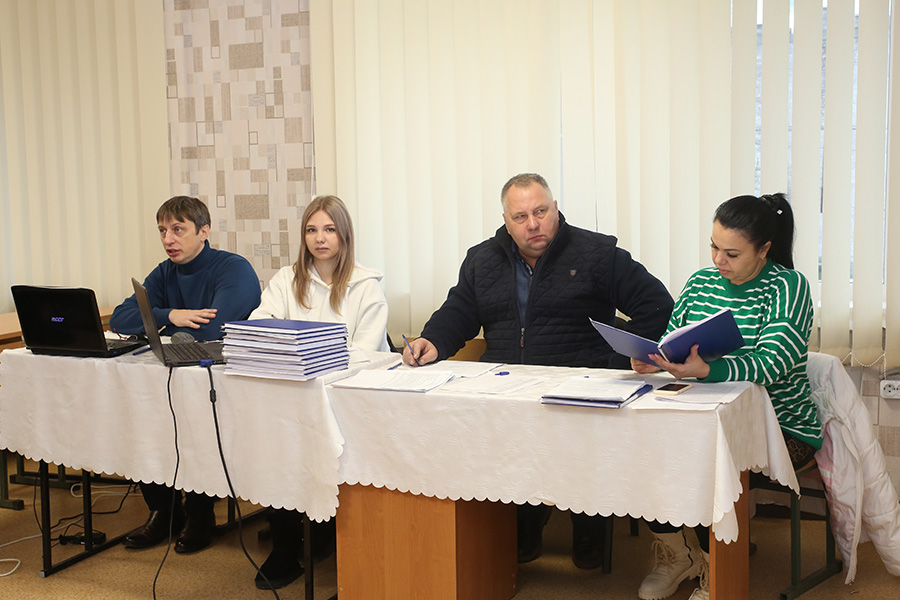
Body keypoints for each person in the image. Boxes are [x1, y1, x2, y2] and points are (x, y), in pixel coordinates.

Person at [403, 173, 674, 570]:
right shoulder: (482, 260)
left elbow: (656, 304)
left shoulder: (596, 253)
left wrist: (622, 357)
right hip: (508, 389)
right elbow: (459, 312)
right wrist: (433, 340)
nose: (533, 224)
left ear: (555, 209)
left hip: (580, 387)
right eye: (521, 217)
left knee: (579, 442)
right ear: (506, 221)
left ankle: (590, 526)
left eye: (541, 212)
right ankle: (525, 523)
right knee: (496, 444)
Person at [631, 193, 823, 600]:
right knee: (637, 449)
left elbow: (772, 363)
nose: (719, 260)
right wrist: (657, 360)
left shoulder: (788, 287)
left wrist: (709, 370)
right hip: (700, 414)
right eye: (714, 247)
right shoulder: (701, 283)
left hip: (781, 426)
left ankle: (715, 568)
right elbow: (675, 341)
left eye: (732, 253)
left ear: (764, 249)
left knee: (701, 461)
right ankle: (679, 553)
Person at [249, 195, 389, 590]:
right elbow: (261, 326)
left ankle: (328, 535)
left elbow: (365, 352)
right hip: (294, 396)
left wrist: (311, 360)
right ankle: (285, 544)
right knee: (276, 448)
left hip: (349, 399)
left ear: (344, 235)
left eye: (329, 229)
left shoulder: (366, 287)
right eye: (311, 230)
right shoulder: (286, 279)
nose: (320, 238)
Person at [110, 196, 261, 555]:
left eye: (178, 230)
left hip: (219, 382)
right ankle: (164, 512)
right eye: (162, 231)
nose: (168, 239)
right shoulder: (164, 272)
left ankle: (199, 514)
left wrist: (160, 319)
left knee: (195, 430)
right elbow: (121, 318)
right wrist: (172, 315)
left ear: (203, 231)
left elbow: (213, 327)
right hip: (172, 373)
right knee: (145, 424)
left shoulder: (233, 269)